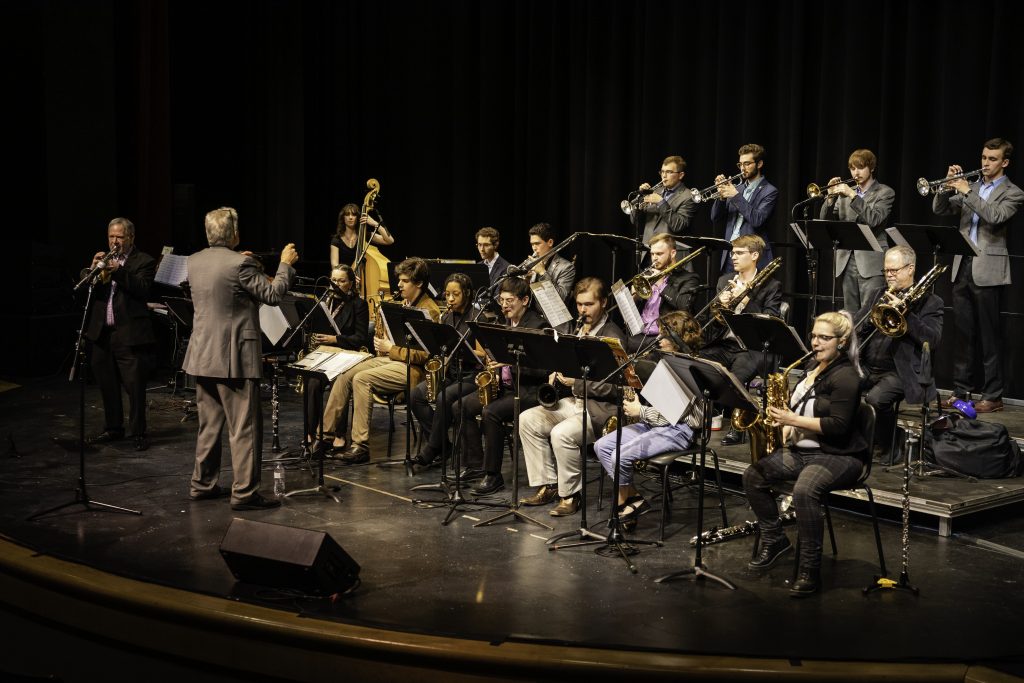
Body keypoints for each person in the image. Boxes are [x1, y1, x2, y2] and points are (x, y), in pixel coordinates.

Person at [742, 310, 868, 597]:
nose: (816, 342)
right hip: (803, 451)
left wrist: (792, 420)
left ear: (842, 341)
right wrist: (784, 428)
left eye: (824, 338)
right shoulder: (812, 367)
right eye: (813, 336)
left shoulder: (847, 376)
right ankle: (774, 539)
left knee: (804, 490)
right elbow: (799, 410)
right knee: (753, 475)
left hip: (840, 455)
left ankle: (809, 568)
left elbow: (838, 426)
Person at [184, 207, 298, 510]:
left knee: (209, 426)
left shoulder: (194, 262)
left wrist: (247, 262)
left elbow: (225, 283)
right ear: (234, 233)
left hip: (202, 355)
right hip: (234, 355)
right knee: (244, 428)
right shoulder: (241, 264)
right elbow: (273, 295)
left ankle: (202, 484)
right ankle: (245, 493)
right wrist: (285, 265)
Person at [518, 278, 627, 516]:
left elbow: (617, 387)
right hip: (575, 402)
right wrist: (556, 372)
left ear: (604, 303)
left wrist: (575, 381)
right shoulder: (577, 328)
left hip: (601, 410)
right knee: (528, 419)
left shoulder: (612, 337)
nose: (583, 311)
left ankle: (570, 496)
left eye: (588, 304)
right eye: (578, 305)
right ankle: (548, 485)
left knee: (561, 434)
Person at [933, 138, 1024, 414]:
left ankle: (993, 395)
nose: (985, 163)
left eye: (992, 159)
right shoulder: (970, 186)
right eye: (984, 157)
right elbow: (940, 209)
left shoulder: (1014, 192)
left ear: (1005, 162)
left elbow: (995, 216)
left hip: (989, 270)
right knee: (963, 335)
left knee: (989, 336)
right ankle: (961, 391)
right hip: (963, 267)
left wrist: (967, 192)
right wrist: (946, 186)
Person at [322, 257, 441, 463]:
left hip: (412, 369)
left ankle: (361, 445)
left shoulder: (429, 310)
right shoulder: (404, 303)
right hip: (392, 361)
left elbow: (424, 355)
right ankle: (324, 436)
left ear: (419, 283)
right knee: (345, 371)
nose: (399, 285)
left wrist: (390, 348)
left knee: (361, 378)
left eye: (404, 281)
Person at [593, 311, 704, 528]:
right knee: (602, 446)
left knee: (619, 456)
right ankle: (635, 500)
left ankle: (621, 505)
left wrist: (639, 411)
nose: (659, 340)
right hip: (655, 423)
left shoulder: (688, 369)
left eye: (664, 336)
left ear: (678, 341)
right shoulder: (664, 361)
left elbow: (674, 416)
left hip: (679, 430)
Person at [854, 246, 943, 463]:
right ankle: (854, 443)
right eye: (886, 271)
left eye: (894, 270)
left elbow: (932, 340)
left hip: (900, 371)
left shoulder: (931, 302)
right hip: (867, 365)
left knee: (875, 400)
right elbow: (856, 328)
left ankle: (886, 447)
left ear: (910, 269)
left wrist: (907, 315)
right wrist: (872, 316)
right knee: (838, 385)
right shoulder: (878, 293)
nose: (889, 276)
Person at [459, 277, 546, 496]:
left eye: (510, 300)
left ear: (525, 300)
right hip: (507, 386)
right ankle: (476, 465)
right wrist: (495, 367)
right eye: (502, 300)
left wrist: (509, 361)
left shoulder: (537, 326)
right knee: (464, 405)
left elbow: (543, 369)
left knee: (491, 412)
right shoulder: (505, 322)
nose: (504, 305)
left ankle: (493, 475)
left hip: (529, 389)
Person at [698, 235, 782, 446]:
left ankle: (738, 426)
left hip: (752, 347)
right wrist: (720, 309)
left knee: (737, 375)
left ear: (754, 256)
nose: (733, 257)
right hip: (726, 343)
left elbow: (769, 323)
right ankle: (699, 419)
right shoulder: (723, 281)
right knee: (696, 362)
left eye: (739, 253)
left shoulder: (771, 286)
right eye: (733, 253)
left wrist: (745, 299)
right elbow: (712, 323)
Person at [81, 217, 156, 451]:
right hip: (102, 333)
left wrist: (119, 271)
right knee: (107, 383)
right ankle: (113, 428)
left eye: (120, 237)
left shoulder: (144, 261)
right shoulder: (104, 260)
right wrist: (92, 270)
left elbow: (143, 289)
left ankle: (138, 432)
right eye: (111, 237)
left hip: (129, 333)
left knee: (134, 386)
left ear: (131, 238)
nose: (114, 242)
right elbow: (85, 289)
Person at [408, 273, 482, 470]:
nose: (449, 299)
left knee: (443, 398)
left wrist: (463, 350)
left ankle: (432, 447)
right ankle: (444, 446)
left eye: (455, 294)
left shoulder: (477, 317)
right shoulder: (447, 316)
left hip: (471, 376)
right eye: (447, 294)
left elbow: (482, 355)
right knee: (416, 395)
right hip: (451, 373)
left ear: (466, 293)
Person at [819, 149, 896, 311]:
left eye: (860, 167)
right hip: (846, 261)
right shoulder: (843, 195)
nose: (856, 172)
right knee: (850, 314)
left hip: (871, 262)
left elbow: (874, 219)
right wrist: (830, 197)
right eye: (853, 168)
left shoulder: (885, 192)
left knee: (871, 313)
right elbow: (825, 221)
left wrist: (853, 196)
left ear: (872, 168)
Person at [304, 264, 370, 444]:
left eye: (341, 281)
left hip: (347, 354)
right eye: (333, 280)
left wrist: (335, 339)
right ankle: (311, 432)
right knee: (312, 382)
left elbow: (360, 338)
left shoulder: (359, 304)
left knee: (339, 383)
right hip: (325, 354)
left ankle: (339, 433)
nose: (336, 284)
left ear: (351, 283)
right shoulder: (325, 301)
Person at [627, 232, 701, 352]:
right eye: (652, 254)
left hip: (664, 337)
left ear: (673, 253)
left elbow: (684, 306)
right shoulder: (647, 275)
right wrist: (634, 298)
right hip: (640, 334)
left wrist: (661, 284)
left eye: (659, 254)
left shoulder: (689, 278)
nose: (654, 258)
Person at [711, 143, 778, 270]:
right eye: (740, 164)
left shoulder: (769, 191)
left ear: (759, 164)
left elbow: (757, 220)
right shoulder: (737, 188)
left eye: (747, 164)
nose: (742, 168)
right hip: (731, 254)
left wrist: (735, 196)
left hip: (752, 256)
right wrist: (721, 197)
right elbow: (715, 218)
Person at [636, 155, 697, 245]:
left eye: (669, 172)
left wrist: (661, 202)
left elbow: (678, 225)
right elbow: (635, 220)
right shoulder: (655, 191)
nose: (664, 176)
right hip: (648, 250)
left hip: (671, 253)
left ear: (680, 175)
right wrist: (639, 198)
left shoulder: (689, 197)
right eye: (662, 172)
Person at [521, 222, 575, 306]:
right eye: (532, 244)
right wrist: (526, 280)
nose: (534, 248)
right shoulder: (530, 263)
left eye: (537, 244)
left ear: (550, 242)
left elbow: (561, 298)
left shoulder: (566, 267)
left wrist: (543, 273)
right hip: (531, 315)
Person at [329, 203, 394, 268]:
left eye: (354, 215)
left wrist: (375, 223)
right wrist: (349, 275)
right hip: (344, 277)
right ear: (343, 218)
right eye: (347, 214)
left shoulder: (364, 235)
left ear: (358, 218)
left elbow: (390, 240)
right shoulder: (336, 240)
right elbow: (334, 266)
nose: (350, 217)